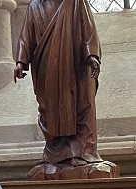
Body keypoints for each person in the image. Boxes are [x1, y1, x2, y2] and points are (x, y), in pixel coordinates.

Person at [13, 0, 105, 169]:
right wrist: (21, 61)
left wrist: (91, 55)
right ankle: (56, 153)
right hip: (47, 69)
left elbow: (88, 30)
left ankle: (83, 152)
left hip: (75, 66)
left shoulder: (76, 2)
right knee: (51, 110)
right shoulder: (35, 6)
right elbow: (26, 36)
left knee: (81, 106)